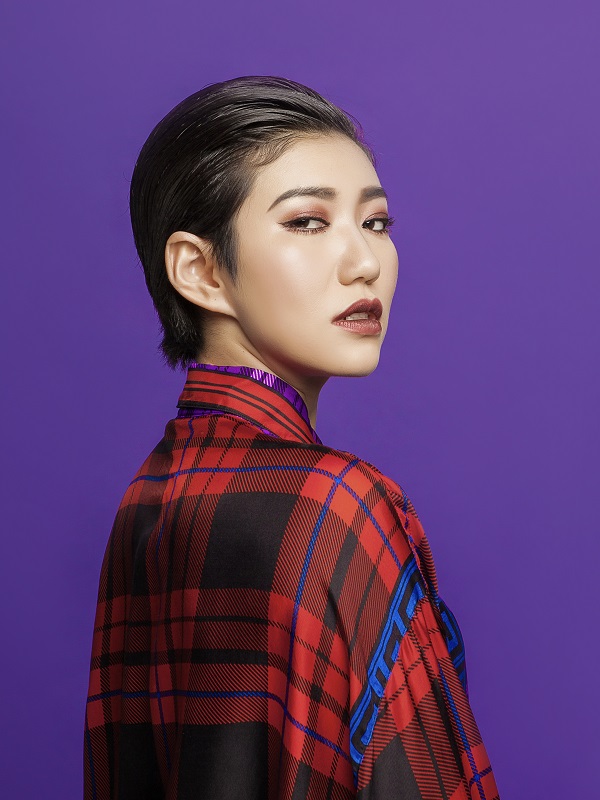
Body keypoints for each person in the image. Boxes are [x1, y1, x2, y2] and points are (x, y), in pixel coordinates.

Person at [83, 75, 500, 800]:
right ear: (200, 270)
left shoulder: (145, 501)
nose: (364, 262)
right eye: (308, 222)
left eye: (376, 223)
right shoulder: (338, 503)